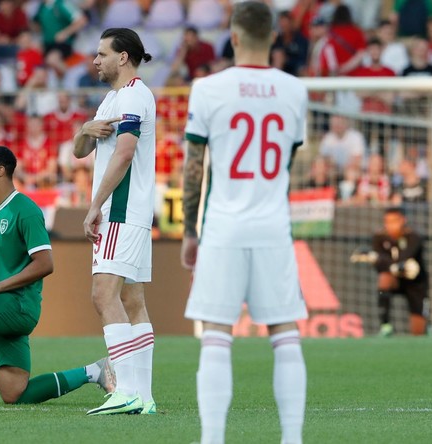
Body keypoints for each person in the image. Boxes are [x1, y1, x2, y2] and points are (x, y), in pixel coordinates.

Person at [181, 3, 307, 444]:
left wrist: (190, 231)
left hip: (223, 227)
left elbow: (194, 166)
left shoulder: (207, 88)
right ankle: (292, 439)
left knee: (216, 333)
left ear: (233, 38)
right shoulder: (295, 90)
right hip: (274, 224)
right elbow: (289, 163)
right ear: (273, 37)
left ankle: (212, 439)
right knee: (285, 332)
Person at [0, 145, 115, 407]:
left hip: (18, 304)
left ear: (0, 170)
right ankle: (95, 371)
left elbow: (45, 263)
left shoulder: (26, 210)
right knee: (15, 394)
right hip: (0, 303)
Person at [73, 27, 156, 416]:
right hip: (132, 214)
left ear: (123, 57)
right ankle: (144, 396)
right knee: (132, 300)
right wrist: (84, 129)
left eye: (102, 54)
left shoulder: (135, 96)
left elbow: (124, 154)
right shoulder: (111, 99)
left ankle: (125, 390)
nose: (95, 60)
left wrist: (95, 206)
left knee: (102, 295)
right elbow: (79, 151)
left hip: (120, 213)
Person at [372, 207, 429, 336]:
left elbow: (406, 257)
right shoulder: (379, 237)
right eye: (387, 221)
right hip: (394, 279)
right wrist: (375, 259)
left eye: (394, 221)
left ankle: (426, 326)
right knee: (384, 280)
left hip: (415, 283)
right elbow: (379, 263)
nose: (391, 225)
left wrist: (384, 262)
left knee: (418, 330)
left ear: (403, 220)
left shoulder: (414, 236)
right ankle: (385, 325)